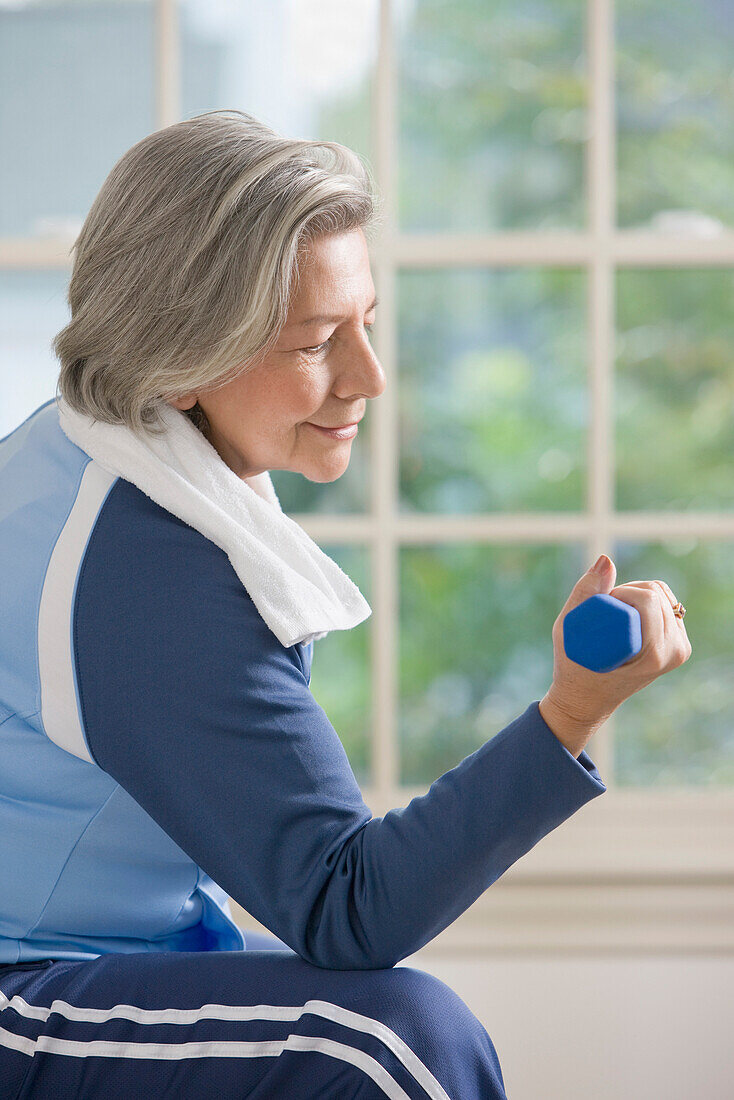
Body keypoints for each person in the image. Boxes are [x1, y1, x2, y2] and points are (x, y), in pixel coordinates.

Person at [0, 110, 691, 1099]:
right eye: (319, 341)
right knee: (391, 1039)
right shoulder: (140, 570)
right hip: (22, 987)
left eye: (368, 322)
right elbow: (345, 904)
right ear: (184, 357)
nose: (367, 377)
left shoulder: (98, 451)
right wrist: (570, 711)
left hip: (96, 948)